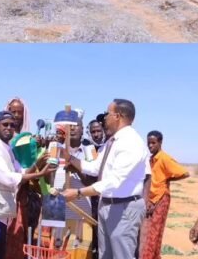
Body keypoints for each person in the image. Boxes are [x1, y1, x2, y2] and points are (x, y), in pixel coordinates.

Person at [62, 99, 150, 259]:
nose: (104, 118)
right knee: (105, 255)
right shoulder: (113, 142)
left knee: (122, 255)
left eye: (107, 114)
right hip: (107, 206)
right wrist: (71, 159)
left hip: (123, 209)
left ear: (118, 116)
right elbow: (96, 168)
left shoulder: (131, 142)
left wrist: (78, 192)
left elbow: (114, 181)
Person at [0, 111, 55, 259]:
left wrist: (37, 163)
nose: (9, 128)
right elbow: (8, 178)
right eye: (5, 124)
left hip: (0, 214)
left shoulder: (7, 148)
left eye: (12, 125)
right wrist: (39, 174)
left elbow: (20, 172)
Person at [139, 130, 189, 259]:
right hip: (151, 198)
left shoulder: (164, 158)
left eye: (153, 143)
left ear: (160, 142)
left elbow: (184, 173)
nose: (150, 146)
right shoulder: (151, 159)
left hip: (161, 198)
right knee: (148, 232)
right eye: (149, 143)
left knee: (154, 232)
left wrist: (167, 179)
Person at [50, 118, 96, 255]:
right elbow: (48, 180)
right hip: (58, 212)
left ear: (83, 130)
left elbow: (93, 183)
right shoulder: (55, 149)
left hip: (82, 213)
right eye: (70, 126)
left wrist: (76, 168)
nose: (74, 129)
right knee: (57, 254)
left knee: (80, 254)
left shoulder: (90, 150)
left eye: (77, 126)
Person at [4, 96, 41, 259]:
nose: (17, 115)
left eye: (20, 112)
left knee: (24, 234)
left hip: (25, 193)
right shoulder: (2, 139)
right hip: (8, 192)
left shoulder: (29, 137)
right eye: (13, 112)